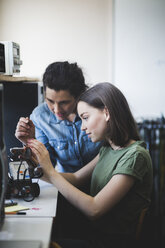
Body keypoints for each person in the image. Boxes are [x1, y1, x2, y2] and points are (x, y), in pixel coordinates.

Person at [27, 82, 153, 248]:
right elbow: (76, 177)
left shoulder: (135, 156)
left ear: (106, 113)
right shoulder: (108, 149)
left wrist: (50, 171)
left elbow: (94, 210)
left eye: (85, 118)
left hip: (108, 242)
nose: (83, 127)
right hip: (94, 233)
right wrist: (34, 163)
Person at [15, 61, 102, 172]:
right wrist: (30, 142)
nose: (56, 110)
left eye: (64, 102)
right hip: (67, 183)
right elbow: (46, 167)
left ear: (79, 95)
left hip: (104, 181)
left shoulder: (98, 110)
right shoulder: (40, 117)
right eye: (50, 101)